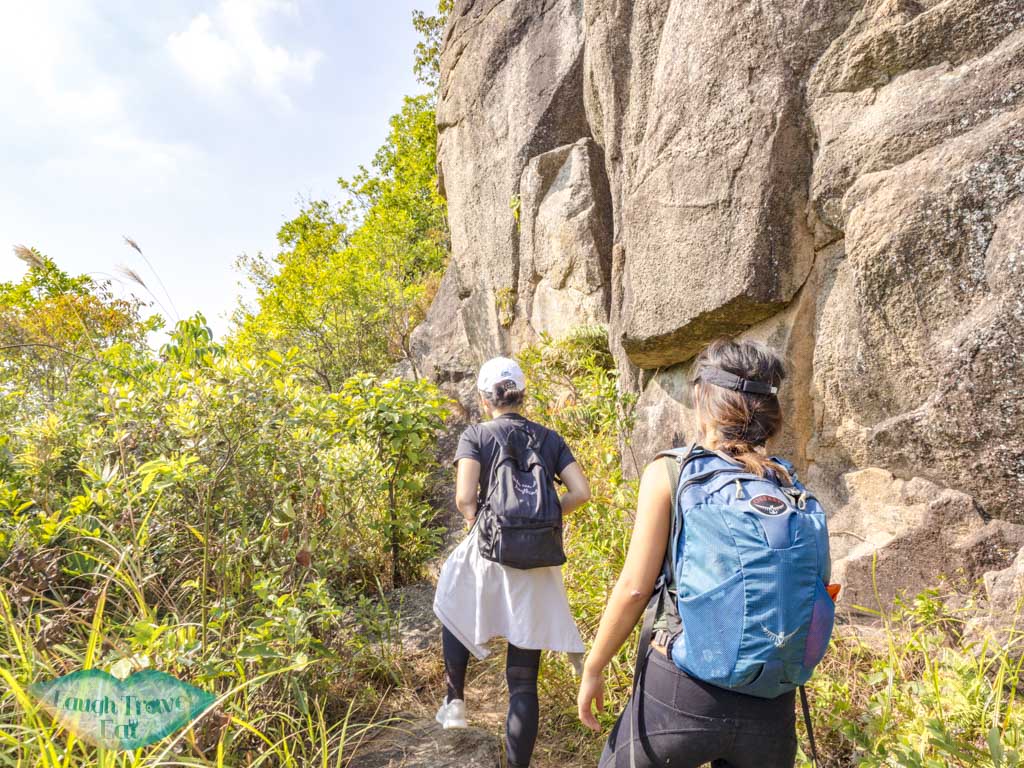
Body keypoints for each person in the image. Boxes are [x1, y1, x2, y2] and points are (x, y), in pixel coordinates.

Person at [578, 338, 807, 768]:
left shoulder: (672, 471)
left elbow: (634, 588)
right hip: (771, 704)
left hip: (681, 692)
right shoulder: (787, 485)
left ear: (704, 401)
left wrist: (594, 666)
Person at [432, 355, 592, 768]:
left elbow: (465, 498)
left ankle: (455, 701)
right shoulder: (550, 438)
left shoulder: (475, 435)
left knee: (451, 595)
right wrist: (544, 516)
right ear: (523, 395)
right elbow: (581, 491)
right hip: (538, 560)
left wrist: (483, 520)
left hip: (491, 549)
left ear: (484, 399)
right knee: (523, 682)